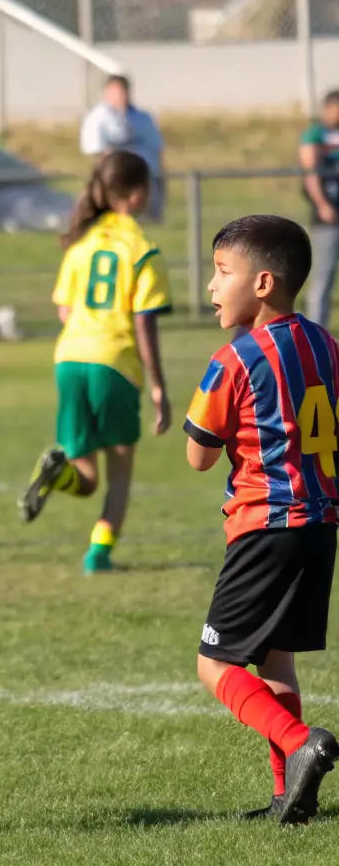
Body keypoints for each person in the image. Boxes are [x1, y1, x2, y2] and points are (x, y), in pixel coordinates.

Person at [184, 214, 339, 825]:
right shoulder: (327, 344)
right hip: (322, 523)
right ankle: (288, 796)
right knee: (277, 659)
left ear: (265, 283)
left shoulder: (236, 358)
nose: (212, 288)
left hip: (265, 525)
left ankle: (302, 744)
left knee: (214, 664)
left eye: (223, 273)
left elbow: (197, 456)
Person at [18, 151, 172, 574]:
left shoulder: (81, 244)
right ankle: (98, 555)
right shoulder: (142, 249)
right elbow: (144, 321)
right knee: (119, 472)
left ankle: (57, 472)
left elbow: (65, 311)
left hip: (69, 358)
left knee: (85, 478)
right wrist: (158, 385)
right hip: (114, 363)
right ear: (137, 195)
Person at [80, 74, 165, 222]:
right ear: (107, 93)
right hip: (116, 181)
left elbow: (156, 149)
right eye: (117, 92)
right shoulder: (98, 118)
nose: (122, 96)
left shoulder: (143, 118)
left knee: (147, 222)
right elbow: (98, 154)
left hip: (145, 177)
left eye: (124, 91)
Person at [299, 90, 339, 327]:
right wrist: (322, 204)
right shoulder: (316, 133)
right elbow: (310, 171)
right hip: (328, 217)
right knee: (323, 277)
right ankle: (317, 328)